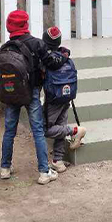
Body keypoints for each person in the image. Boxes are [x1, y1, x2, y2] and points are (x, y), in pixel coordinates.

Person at [0, 10, 72, 185]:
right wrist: (64, 55)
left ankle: (5, 168)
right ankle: (43, 172)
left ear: (9, 27)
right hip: (31, 92)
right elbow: (52, 63)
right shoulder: (36, 44)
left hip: (10, 94)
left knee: (9, 131)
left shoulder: (5, 47)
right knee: (38, 131)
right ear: (26, 25)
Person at [41, 26, 86, 173]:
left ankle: (75, 131)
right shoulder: (65, 55)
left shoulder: (47, 60)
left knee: (45, 129)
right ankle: (58, 160)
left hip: (52, 99)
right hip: (66, 97)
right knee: (60, 125)